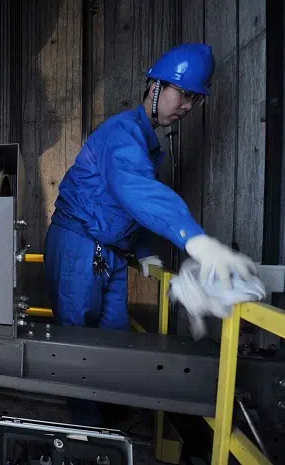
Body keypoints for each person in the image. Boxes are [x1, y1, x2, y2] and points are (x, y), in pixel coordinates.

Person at [44, 43, 257, 331]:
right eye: (184, 94)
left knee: (116, 338)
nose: (187, 106)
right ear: (156, 87)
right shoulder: (122, 133)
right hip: (79, 245)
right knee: (76, 339)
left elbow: (127, 208)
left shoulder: (145, 143)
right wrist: (195, 239)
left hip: (112, 251)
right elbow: (136, 191)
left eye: (195, 99)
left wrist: (141, 250)